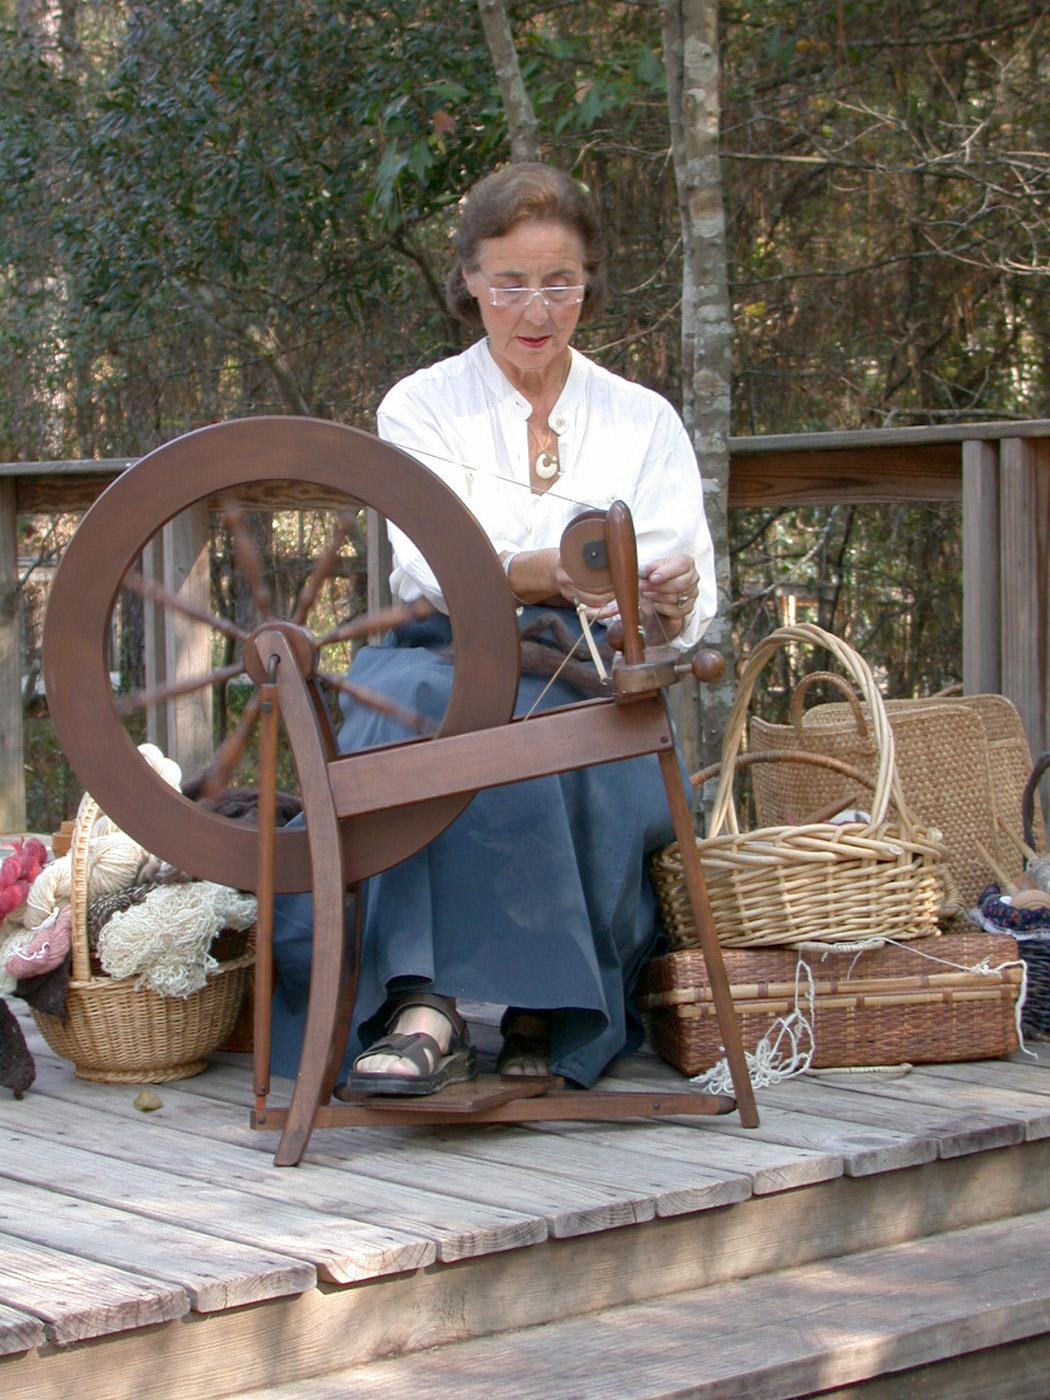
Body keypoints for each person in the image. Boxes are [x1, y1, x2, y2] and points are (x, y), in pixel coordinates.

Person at [270, 161, 716, 1094]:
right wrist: (552, 566)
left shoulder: (644, 419)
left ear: (587, 284)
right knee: (426, 721)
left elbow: (680, 568)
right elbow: (435, 561)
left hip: (589, 665)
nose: (535, 309)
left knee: (577, 742)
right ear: (469, 280)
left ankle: (542, 1011)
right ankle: (424, 1001)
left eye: (559, 283)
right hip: (439, 648)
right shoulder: (421, 405)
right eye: (509, 282)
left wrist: (667, 600)